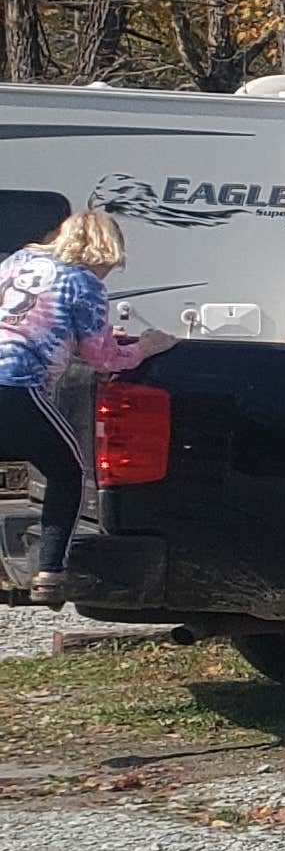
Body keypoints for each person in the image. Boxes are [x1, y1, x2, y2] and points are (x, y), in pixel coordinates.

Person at [1, 207, 145, 602]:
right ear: (101, 251)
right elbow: (104, 361)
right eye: (109, 266)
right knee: (70, 470)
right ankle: (51, 570)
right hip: (15, 383)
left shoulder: (20, 261)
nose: (106, 275)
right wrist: (148, 346)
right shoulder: (83, 282)